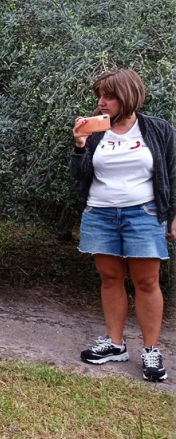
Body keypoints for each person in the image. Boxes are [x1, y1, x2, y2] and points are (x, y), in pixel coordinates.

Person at [70, 69, 175, 382]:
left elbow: (173, 172)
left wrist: (174, 214)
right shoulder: (95, 130)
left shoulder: (156, 129)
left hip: (143, 213)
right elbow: (79, 174)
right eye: (99, 96)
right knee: (110, 278)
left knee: (146, 282)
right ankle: (115, 344)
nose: (101, 102)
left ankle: (151, 350)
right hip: (100, 214)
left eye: (109, 96)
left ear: (127, 96)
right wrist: (79, 145)